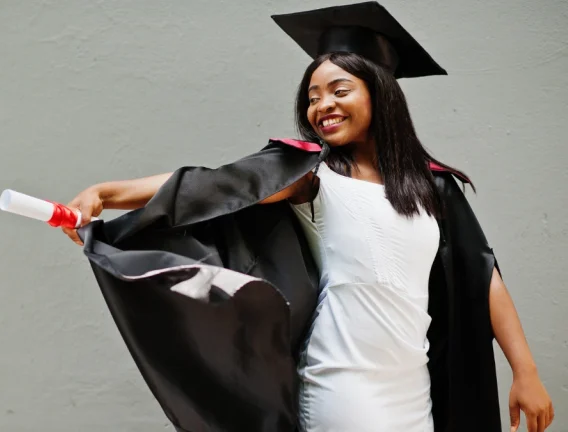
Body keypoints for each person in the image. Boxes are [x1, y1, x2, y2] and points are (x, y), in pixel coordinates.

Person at [61, 2, 554, 431]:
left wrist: (525, 370)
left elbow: (483, 274)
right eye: (313, 96)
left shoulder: (433, 186)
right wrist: (107, 193)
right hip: (341, 386)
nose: (322, 106)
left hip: (412, 389)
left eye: (339, 90)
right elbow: (213, 184)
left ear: (379, 93)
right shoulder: (310, 175)